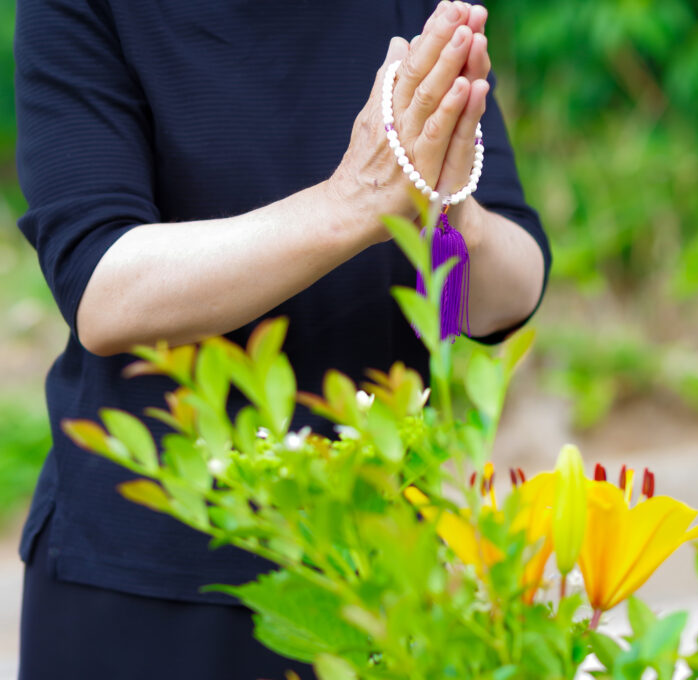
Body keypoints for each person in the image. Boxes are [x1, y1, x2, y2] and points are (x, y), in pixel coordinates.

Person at [14, 1, 549, 678]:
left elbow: (489, 307)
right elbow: (103, 291)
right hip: (149, 578)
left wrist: (447, 218)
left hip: (378, 573)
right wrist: (352, 202)